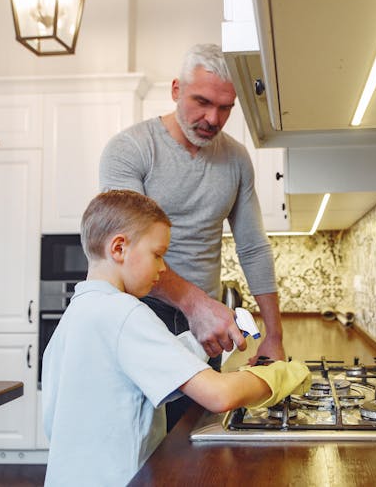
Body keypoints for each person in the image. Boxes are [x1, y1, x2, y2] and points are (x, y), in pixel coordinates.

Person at [41, 190, 310, 487]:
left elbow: (130, 379)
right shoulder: (125, 312)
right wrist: (282, 373)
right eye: (157, 255)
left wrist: (201, 345)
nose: (162, 268)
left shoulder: (76, 315)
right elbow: (220, 395)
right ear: (119, 248)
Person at [99, 43, 285, 428]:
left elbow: (252, 247)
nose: (212, 118)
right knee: (140, 436)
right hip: (141, 315)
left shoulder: (235, 159)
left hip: (206, 325)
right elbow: (125, 251)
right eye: (201, 101)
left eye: (225, 107)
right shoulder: (131, 149)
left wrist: (274, 334)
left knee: (194, 437)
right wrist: (196, 305)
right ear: (175, 90)